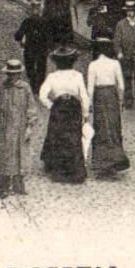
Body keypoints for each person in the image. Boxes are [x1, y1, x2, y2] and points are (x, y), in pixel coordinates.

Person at [38, 45, 89, 184]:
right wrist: (85, 113)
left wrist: (52, 106)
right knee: (73, 137)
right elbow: (84, 96)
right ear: (72, 61)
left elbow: (42, 95)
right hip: (73, 108)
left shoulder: (52, 77)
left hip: (59, 108)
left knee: (58, 136)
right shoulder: (77, 76)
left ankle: (58, 170)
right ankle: (74, 170)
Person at [0, 57, 36, 198]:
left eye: (15, 74)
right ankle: (3, 186)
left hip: (21, 128)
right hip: (5, 128)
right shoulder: (0, 88)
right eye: (9, 74)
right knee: (5, 155)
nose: (12, 77)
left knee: (20, 155)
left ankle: (18, 185)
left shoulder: (25, 88)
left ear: (19, 74)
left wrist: (29, 126)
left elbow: (31, 108)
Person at [86, 36, 129, 178]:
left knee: (101, 126)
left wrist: (89, 105)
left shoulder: (93, 65)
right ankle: (116, 160)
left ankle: (101, 162)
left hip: (99, 96)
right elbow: (121, 86)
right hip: (112, 96)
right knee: (113, 126)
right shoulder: (115, 64)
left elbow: (90, 89)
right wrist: (121, 102)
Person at [114, 0, 135, 111]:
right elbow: (117, 41)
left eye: (132, 11)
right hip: (126, 56)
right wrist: (119, 52)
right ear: (126, 11)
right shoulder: (121, 24)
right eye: (129, 11)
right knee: (127, 78)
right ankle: (128, 101)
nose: (131, 13)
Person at [14, 0, 51, 97]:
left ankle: (33, 84)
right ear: (40, 11)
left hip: (30, 48)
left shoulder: (27, 21)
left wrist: (19, 38)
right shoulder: (46, 22)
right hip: (42, 49)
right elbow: (50, 37)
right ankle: (38, 88)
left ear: (30, 10)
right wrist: (48, 47)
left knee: (30, 67)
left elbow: (18, 35)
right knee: (41, 68)